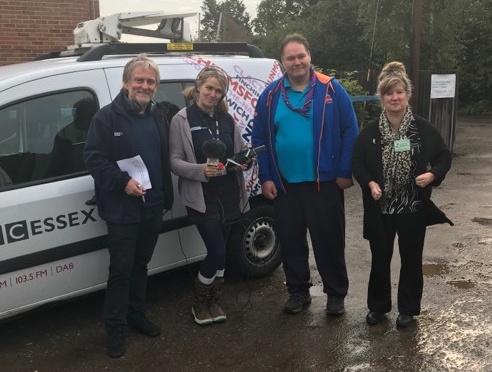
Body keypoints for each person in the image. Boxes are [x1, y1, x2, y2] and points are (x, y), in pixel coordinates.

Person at [251, 34, 359, 316]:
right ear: (283, 62)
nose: (296, 62)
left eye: (301, 56)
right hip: (285, 184)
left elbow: (351, 131)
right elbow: (260, 137)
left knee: (329, 241)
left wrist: (345, 171)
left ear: (309, 56)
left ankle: (336, 293)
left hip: (324, 183)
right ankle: (298, 291)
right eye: (290, 58)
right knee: (291, 241)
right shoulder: (271, 95)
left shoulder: (331, 89)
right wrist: (266, 177)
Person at [83, 55, 174, 358]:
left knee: (141, 266)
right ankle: (116, 327)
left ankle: (136, 315)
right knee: (121, 270)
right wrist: (122, 182)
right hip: (122, 209)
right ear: (126, 82)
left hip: (153, 205)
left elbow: (162, 158)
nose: (144, 86)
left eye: (150, 82)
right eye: (139, 80)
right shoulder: (106, 118)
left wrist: (165, 196)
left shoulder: (158, 116)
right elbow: (94, 158)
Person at [352, 61, 452, 328]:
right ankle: (378, 307)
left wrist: (433, 175)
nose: (394, 98)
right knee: (380, 259)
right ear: (381, 97)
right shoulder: (371, 132)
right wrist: (370, 183)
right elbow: (358, 163)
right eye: (388, 93)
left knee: (410, 259)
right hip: (380, 209)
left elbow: (443, 156)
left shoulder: (422, 129)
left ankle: (407, 310)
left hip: (412, 208)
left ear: (407, 94)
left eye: (399, 92)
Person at [169, 65, 249, 325]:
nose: (213, 94)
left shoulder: (227, 120)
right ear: (198, 88)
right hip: (201, 197)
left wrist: (245, 161)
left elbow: (240, 150)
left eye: (219, 91)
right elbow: (174, 162)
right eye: (209, 88)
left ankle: (215, 300)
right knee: (216, 250)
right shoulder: (182, 119)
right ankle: (199, 303)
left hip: (229, 194)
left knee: (223, 252)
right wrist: (200, 170)